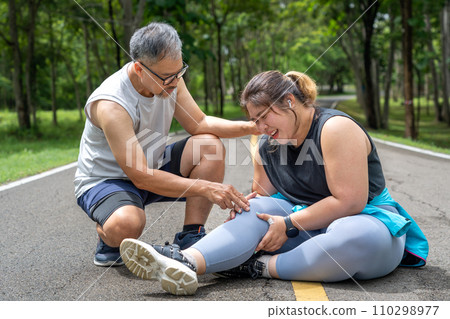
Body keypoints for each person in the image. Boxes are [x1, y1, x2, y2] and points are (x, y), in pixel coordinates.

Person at [119, 70, 429, 296]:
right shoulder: (266, 142)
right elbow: (264, 195)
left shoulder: (334, 128)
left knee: (354, 236)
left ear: (290, 101)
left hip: (364, 222)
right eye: (254, 119)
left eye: (265, 117)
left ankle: (258, 266)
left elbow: (350, 202)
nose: (260, 126)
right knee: (253, 209)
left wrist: (288, 223)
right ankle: (185, 261)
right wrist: (243, 209)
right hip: (304, 227)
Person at [74, 22, 258, 267]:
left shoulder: (169, 77)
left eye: (179, 73)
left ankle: (191, 236)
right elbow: (141, 177)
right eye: (167, 78)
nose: (174, 83)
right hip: (108, 181)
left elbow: (200, 123)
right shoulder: (112, 104)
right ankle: (109, 237)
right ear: (139, 69)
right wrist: (205, 188)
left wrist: (252, 127)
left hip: (153, 165)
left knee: (208, 145)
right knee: (128, 223)